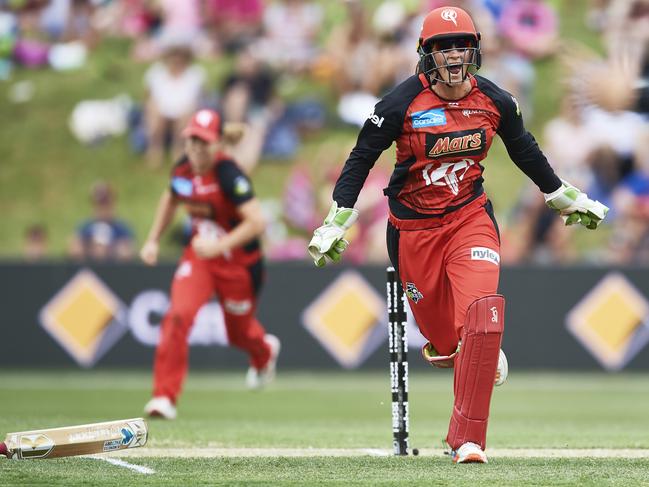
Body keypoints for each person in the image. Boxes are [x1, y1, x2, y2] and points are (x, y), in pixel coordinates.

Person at [308, 6, 608, 463]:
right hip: (414, 231)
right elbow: (361, 157)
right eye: (441, 47)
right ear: (425, 54)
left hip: (470, 219)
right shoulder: (398, 104)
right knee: (449, 345)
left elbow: (524, 148)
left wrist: (562, 195)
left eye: (460, 46)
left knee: (483, 318)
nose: (452, 55)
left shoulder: (497, 101)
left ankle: (467, 440)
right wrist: (337, 217)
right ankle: (471, 354)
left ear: (474, 51)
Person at [140, 108, 280, 420]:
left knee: (239, 334)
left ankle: (264, 353)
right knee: (177, 316)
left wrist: (219, 246)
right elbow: (170, 200)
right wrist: (152, 240)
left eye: (203, 142)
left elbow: (257, 222)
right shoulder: (182, 171)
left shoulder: (230, 175)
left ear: (216, 143)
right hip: (200, 259)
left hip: (239, 264)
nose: (196, 148)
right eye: (192, 140)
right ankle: (164, 397)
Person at [68, 181, 135, 261]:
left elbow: (128, 252)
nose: (103, 209)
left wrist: (110, 249)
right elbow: (74, 250)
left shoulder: (121, 228)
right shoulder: (86, 227)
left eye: (106, 204)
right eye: (99, 205)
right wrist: (90, 247)